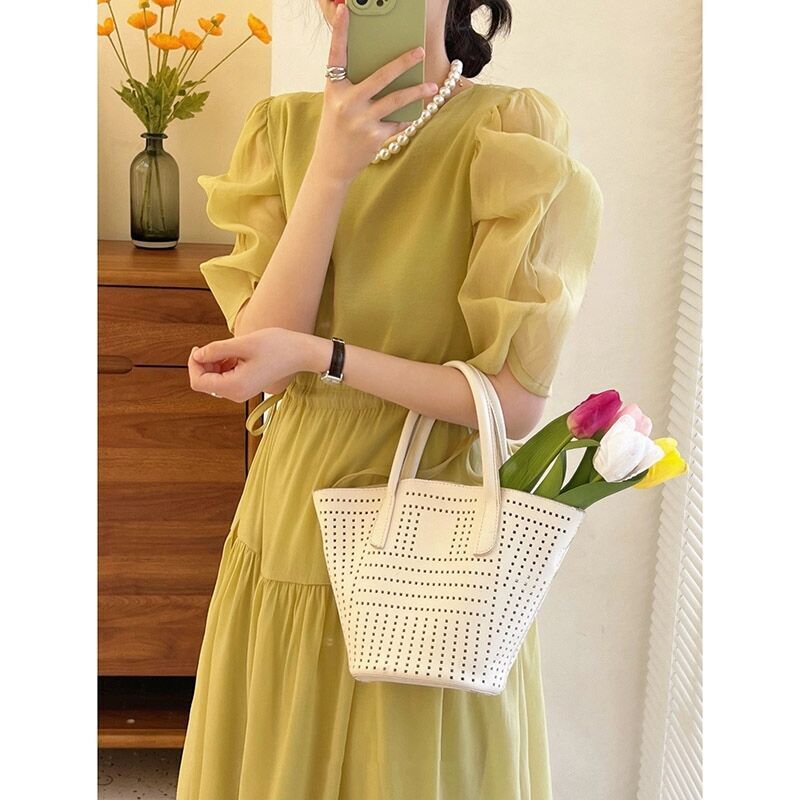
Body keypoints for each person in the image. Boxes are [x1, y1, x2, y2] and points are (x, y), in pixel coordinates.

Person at [176, 1, 603, 797]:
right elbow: (262, 359)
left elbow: (512, 405)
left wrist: (325, 356)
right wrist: (331, 169)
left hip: (435, 539)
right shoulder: (281, 131)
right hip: (294, 516)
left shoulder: (508, 134)